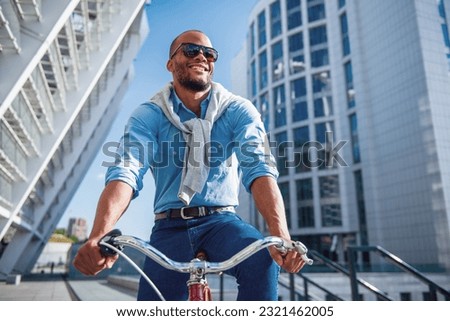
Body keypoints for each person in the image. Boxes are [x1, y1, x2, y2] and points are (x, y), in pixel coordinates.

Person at [73, 30, 306, 300]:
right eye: (191, 50)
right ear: (171, 63)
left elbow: (259, 169)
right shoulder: (149, 115)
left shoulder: (237, 110)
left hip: (222, 222)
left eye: (209, 53)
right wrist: (99, 235)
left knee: (262, 260)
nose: (202, 57)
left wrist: (281, 236)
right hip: (169, 226)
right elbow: (126, 171)